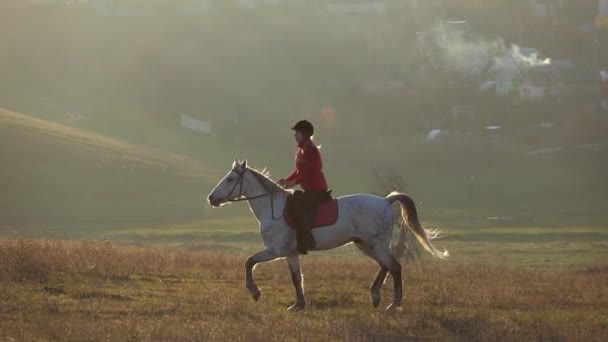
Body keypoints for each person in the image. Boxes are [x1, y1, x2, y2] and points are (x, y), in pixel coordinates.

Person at [278, 120, 331, 255]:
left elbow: (313, 171)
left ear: (304, 134)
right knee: (293, 202)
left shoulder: (311, 149)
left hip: (317, 189)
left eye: (297, 132)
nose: (294, 135)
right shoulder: (302, 149)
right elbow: (300, 170)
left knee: (298, 206)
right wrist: (287, 180)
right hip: (309, 189)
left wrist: (294, 183)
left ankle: (307, 240)